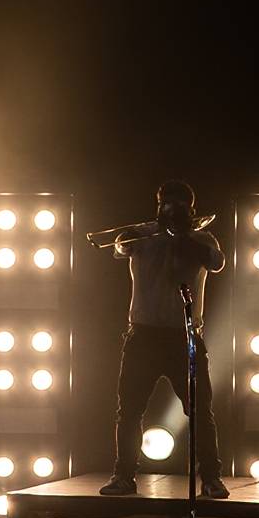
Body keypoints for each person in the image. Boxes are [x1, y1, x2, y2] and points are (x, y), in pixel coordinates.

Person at [99, 181, 228, 498]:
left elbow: (217, 262)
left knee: (200, 412)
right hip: (143, 335)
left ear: (189, 208)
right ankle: (124, 476)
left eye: (176, 205)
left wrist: (183, 237)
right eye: (164, 203)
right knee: (129, 410)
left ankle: (211, 478)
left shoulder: (201, 238)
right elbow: (120, 247)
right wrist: (127, 240)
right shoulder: (143, 235)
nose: (169, 209)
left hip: (184, 337)